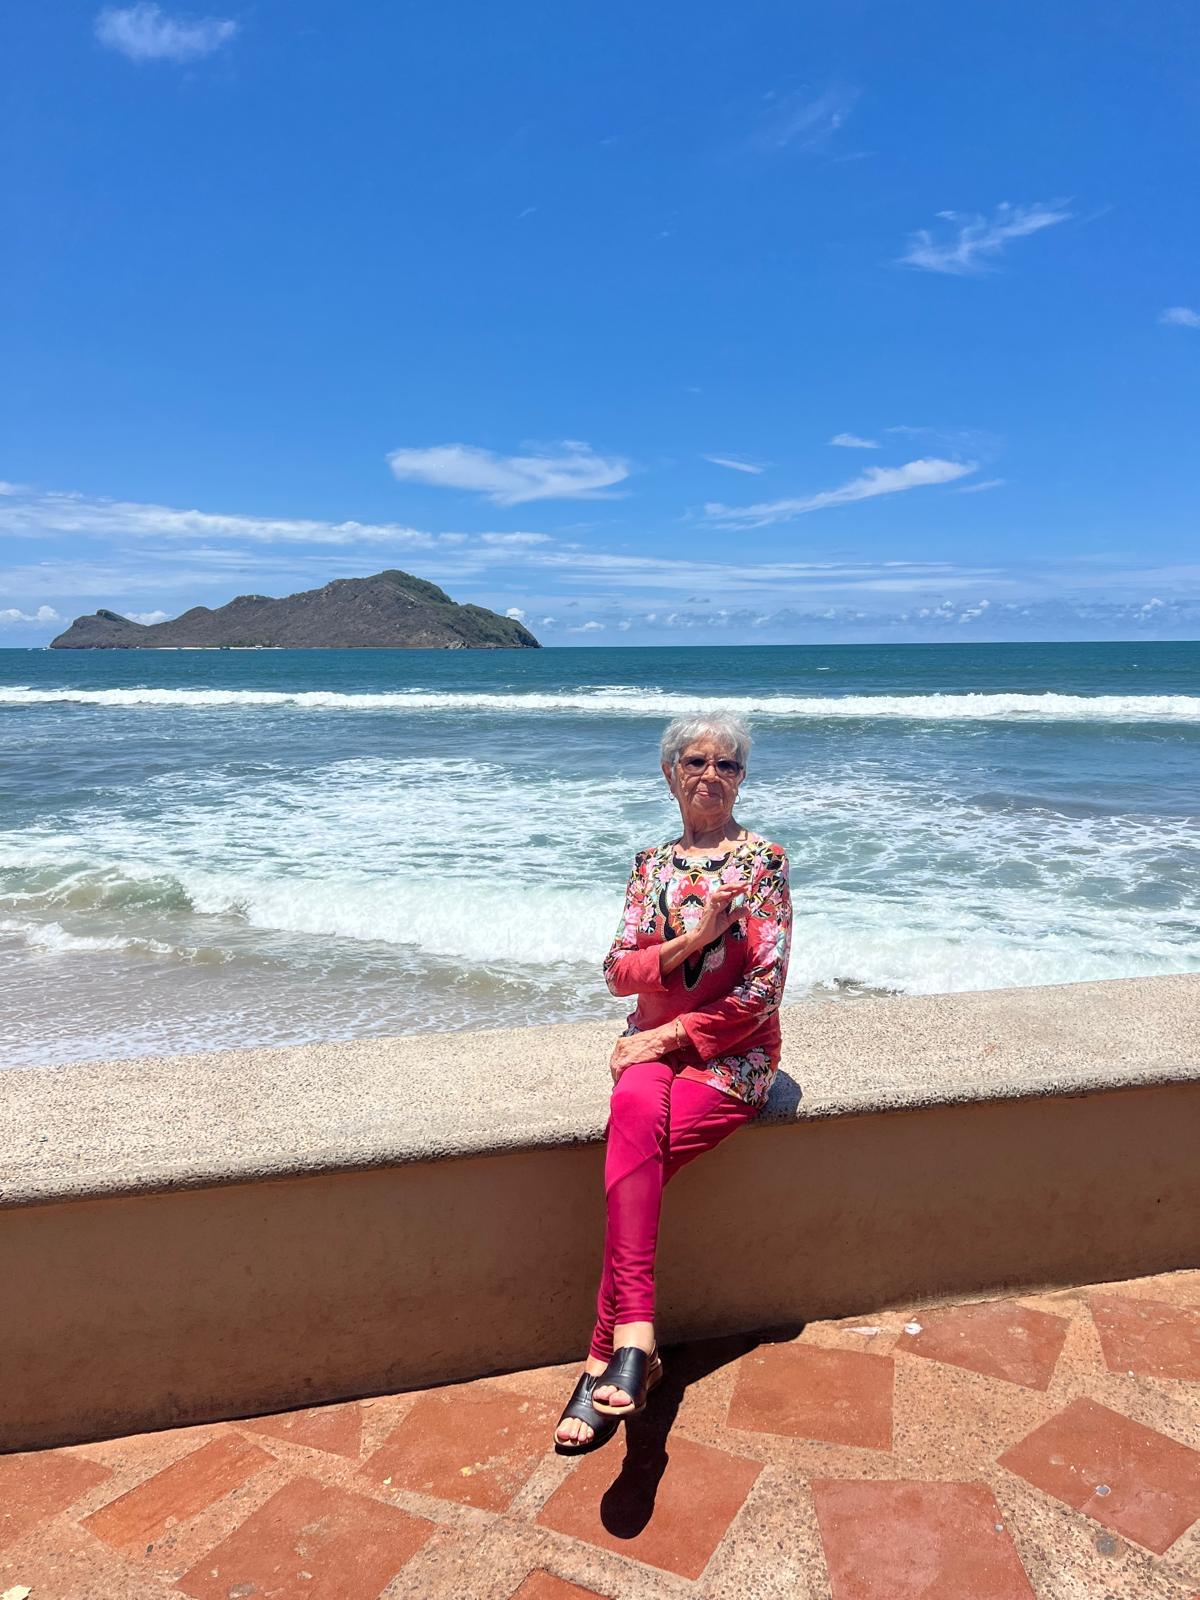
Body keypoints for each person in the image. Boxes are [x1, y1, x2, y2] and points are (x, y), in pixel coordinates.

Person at [554, 712, 793, 1452]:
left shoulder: (763, 864)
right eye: (696, 762)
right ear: (670, 774)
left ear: (741, 779)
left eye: (728, 765)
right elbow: (617, 971)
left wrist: (668, 1032)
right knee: (635, 1133)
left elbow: (765, 990)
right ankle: (634, 1348)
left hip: (732, 1057)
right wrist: (691, 941)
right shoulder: (651, 866)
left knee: (636, 1160)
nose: (712, 776)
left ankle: (611, 1350)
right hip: (650, 1055)